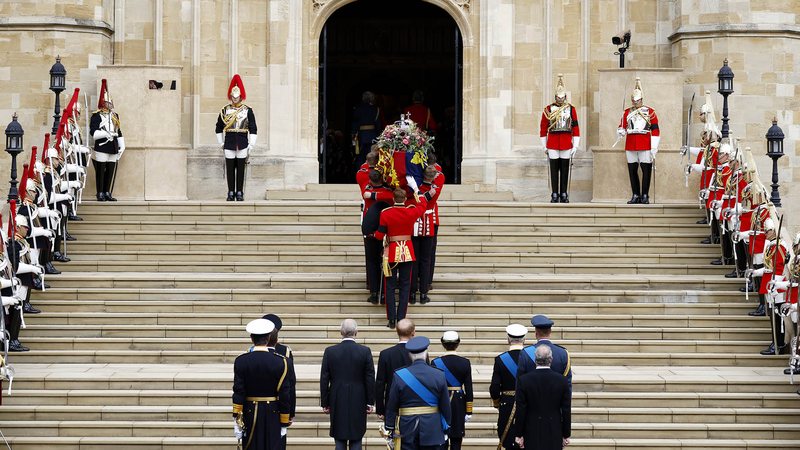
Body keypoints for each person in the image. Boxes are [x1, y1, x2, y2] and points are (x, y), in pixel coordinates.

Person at [374, 188, 436, 328]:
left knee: (389, 286)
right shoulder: (411, 211)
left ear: (393, 199)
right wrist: (420, 195)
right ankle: (401, 318)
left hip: (391, 252)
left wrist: (373, 235)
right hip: (407, 251)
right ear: (405, 200)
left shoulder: (386, 213)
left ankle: (391, 319)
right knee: (405, 286)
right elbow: (422, 206)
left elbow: (380, 234)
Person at [232, 318, 291, 450]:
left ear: (251, 338)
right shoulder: (281, 362)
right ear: (269, 337)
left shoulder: (241, 361)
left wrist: (236, 418)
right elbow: (285, 394)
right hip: (273, 414)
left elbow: (239, 391)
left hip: (249, 413)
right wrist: (284, 421)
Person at [384, 336, 451, 450]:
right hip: (432, 428)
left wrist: (389, 427)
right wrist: (446, 427)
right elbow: (445, 405)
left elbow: (392, 405)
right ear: (426, 353)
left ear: (409, 354)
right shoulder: (439, 374)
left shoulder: (399, 376)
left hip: (407, 428)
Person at [320, 319, 375, 450]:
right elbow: (370, 378)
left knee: (339, 437)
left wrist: (325, 402)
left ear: (341, 332)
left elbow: (324, 378)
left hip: (337, 397)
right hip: (359, 397)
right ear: (356, 332)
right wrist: (370, 402)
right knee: (357, 438)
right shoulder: (365, 351)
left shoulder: (330, 351)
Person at [514, 345, 571, 450]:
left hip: (531, 430)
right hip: (554, 429)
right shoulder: (562, 381)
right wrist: (566, 434)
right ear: (551, 359)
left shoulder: (524, 380)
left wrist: (519, 434)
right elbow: (566, 409)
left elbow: (521, 409)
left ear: (535, 359)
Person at [617, 77, 660, 204]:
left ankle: (645, 195)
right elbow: (622, 126)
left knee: (646, 169)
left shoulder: (650, 112)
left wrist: (654, 147)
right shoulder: (626, 112)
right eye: (634, 100)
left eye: (638, 100)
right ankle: (635, 194)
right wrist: (620, 131)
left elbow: (656, 130)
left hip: (645, 143)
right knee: (632, 169)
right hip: (631, 143)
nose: (635, 102)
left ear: (642, 99)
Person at [216, 74, 257, 201]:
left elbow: (253, 128)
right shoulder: (224, 110)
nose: (235, 99)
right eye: (233, 97)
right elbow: (219, 127)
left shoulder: (247, 110)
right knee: (229, 168)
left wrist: (251, 144)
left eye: (237, 96)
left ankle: (239, 192)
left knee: (240, 168)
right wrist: (221, 142)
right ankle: (230, 192)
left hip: (242, 141)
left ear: (241, 96)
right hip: (229, 142)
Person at [540, 74, 580, 203]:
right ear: (555, 97)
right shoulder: (548, 109)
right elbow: (543, 128)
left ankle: (563, 193)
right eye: (558, 97)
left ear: (565, 97)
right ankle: (554, 193)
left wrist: (576, 145)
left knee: (564, 169)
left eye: (562, 97)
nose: (560, 99)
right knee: (553, 169)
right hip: (552, 142)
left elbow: (576, 127)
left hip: (566, 142)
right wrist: (544, 145)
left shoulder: (571, 109)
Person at [431, 331, 473, 450]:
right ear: (458, 343)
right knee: (456, 440)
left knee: (441, 439)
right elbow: (469, 388)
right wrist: (469, 410)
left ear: (443, 344)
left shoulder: (435, 362)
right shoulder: (465, 362)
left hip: (441, 401)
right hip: (459, 403)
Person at [490, 324, 528, 450]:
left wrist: (497, 402)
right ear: (524, 340)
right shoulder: (532, 358)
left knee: (508, 441)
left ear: (508, 339)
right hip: (528, 403)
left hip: (507, 403)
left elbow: (495, 387)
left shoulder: (501, 359)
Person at [90, 79, 125, 202]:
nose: (111, 104)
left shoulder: (115, 116)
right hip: (102, 146)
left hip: (113, 146)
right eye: (108, 102)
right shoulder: (96, 116)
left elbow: (119, 131)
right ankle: (99, 192)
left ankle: (107, 192)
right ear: (103, 103)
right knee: (100, 170)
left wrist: (122, 145)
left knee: (110, 170)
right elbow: (93, 133)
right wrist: (106, 133)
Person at [516, 315, 572, 392]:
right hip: (555, 401)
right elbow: (567, 384)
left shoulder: (525, 353)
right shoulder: (563, 353)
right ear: (550, 332)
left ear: (536, 333)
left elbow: (520, 383)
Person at [410, 166, 440, 305]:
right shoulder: (433, 188)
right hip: (427, 224)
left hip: (417, 223)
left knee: (415, 259)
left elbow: (418, 201)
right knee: (425, 260)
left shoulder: (418, 188)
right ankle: (422, 293)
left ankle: (413, 292)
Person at [376, 318, 415, 419]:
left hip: (392, 402)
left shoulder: (386, 354)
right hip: (415, 403)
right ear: (413, 332)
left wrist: (380, 408)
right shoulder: (420, 354)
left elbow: (380, 383)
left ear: (397, 332)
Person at [351, 91, 382, 169]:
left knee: (360, 156)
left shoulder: (358, 108)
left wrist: (353, 133)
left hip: (361, 136)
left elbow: (355, 122)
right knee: (373, 155)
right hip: (372, 135)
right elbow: (378, 124)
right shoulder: (375, 109)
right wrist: (379, 136)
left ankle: (361, 171)